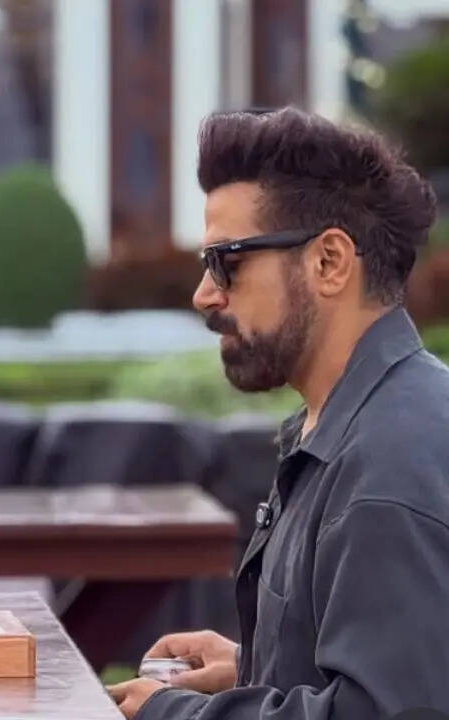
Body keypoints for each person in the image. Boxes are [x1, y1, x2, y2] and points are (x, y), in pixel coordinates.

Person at [108, 107, 449, 718]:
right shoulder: (352, 424)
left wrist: (173, 713)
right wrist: (254, 667)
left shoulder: (390, 463)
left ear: (329, 262)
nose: (204, 294)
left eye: (227, 262)